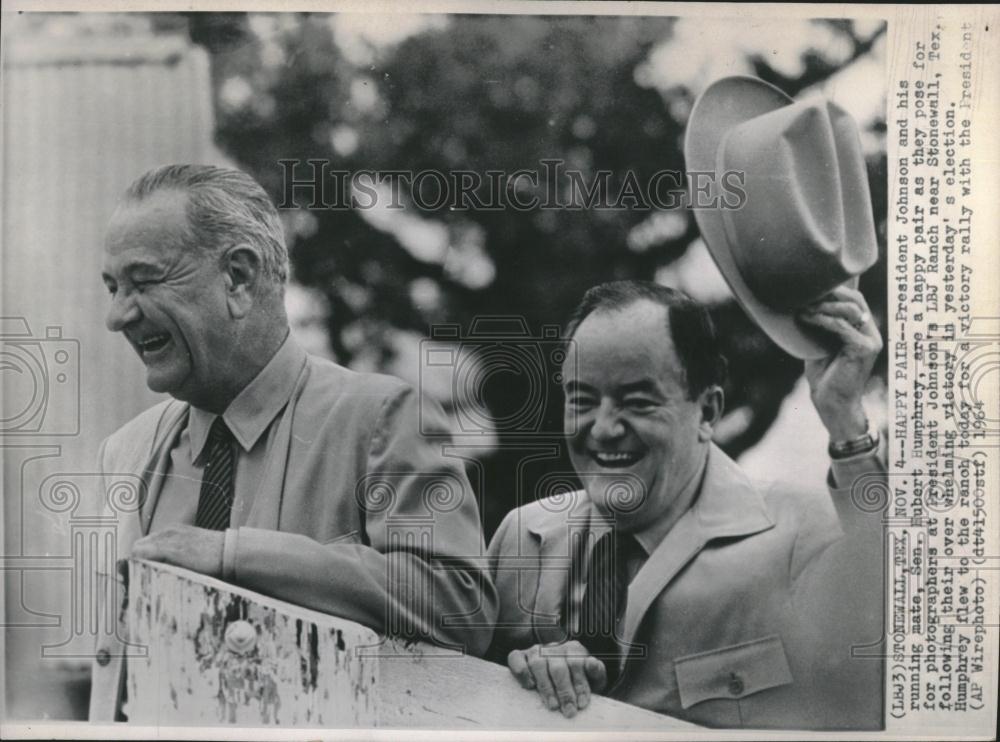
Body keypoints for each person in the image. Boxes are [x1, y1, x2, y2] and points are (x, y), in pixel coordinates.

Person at [488, 76, 888, 730]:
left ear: (707, 411)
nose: (604, 428)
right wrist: (523, 671)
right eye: (581, 400)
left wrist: (846, 422)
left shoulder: (801, 532)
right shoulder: (522, 539)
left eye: (638, 400)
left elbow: (888, 658)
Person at [90, 164, 497, 721]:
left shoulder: (379, 417)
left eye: (144, 281)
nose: (117, 316)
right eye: (113, 288)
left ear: (238, 277)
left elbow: (460, 604)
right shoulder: (126, 452)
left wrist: (234, 555)